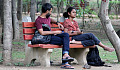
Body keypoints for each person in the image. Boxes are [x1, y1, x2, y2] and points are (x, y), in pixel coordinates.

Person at [35, 3, 74, 69]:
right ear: (47, 11)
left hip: (51, 36)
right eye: (50, 11)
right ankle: (65, 62)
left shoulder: (48, 18)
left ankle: (65, 55)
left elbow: (52, 20)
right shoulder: (38, 20)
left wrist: (58, 23)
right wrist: (54, 32)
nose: (51, 13)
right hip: (45, 38)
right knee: (65, 40)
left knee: (66, 35)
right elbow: (41, 32)